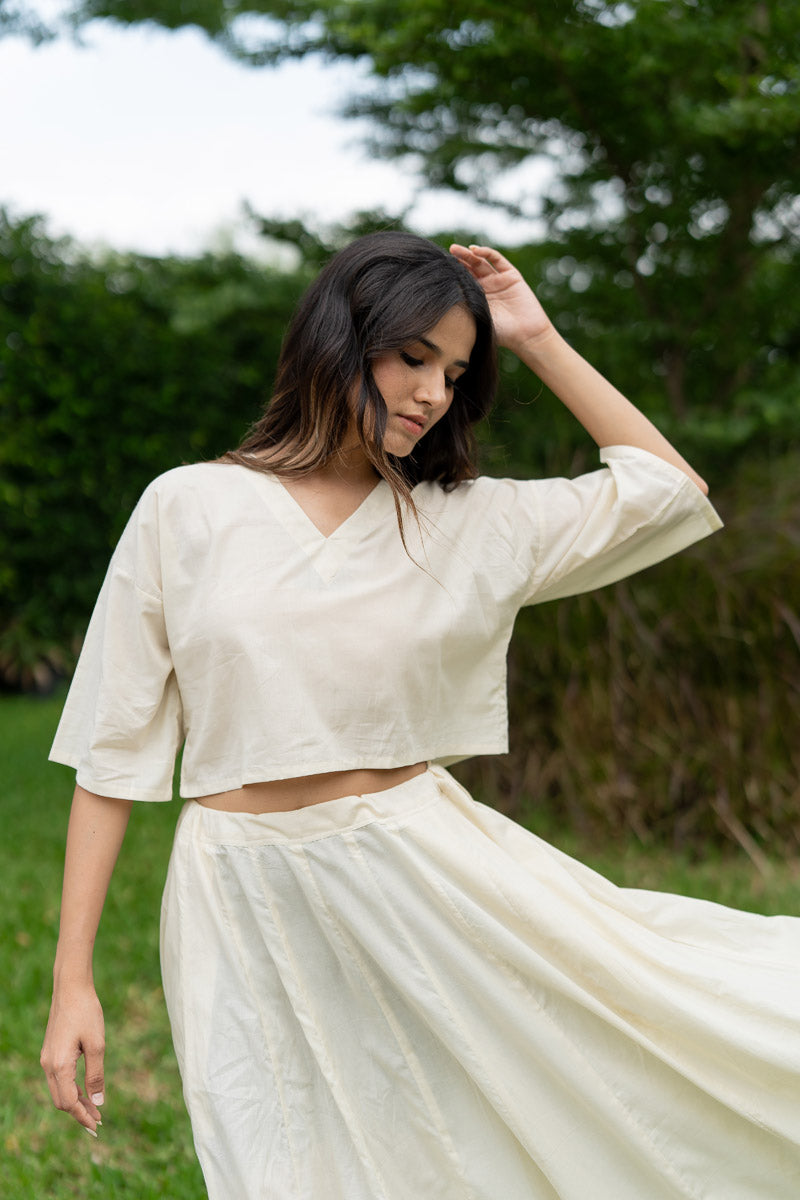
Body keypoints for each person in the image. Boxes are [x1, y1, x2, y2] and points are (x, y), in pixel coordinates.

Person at [42, 233, 800, 1199]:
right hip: (235, 893)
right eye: (414, 358)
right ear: (340, 338)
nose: (435, 392)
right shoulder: (186, 507)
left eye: (456, 372)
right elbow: (111, 755)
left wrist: (535, 337)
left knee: (480, 1135)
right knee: (279, 1157)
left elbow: (666, 494)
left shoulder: (467, 518)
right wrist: (75, 979)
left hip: (419, 872)